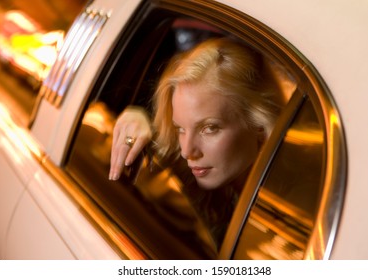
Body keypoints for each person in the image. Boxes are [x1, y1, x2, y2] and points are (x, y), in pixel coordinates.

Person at [109, 37, 281, 245]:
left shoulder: (296, 210)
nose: (187, 151)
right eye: (180, 128)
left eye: (209, 128)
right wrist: (139, 117)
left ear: (260, 126)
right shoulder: (176, 178)